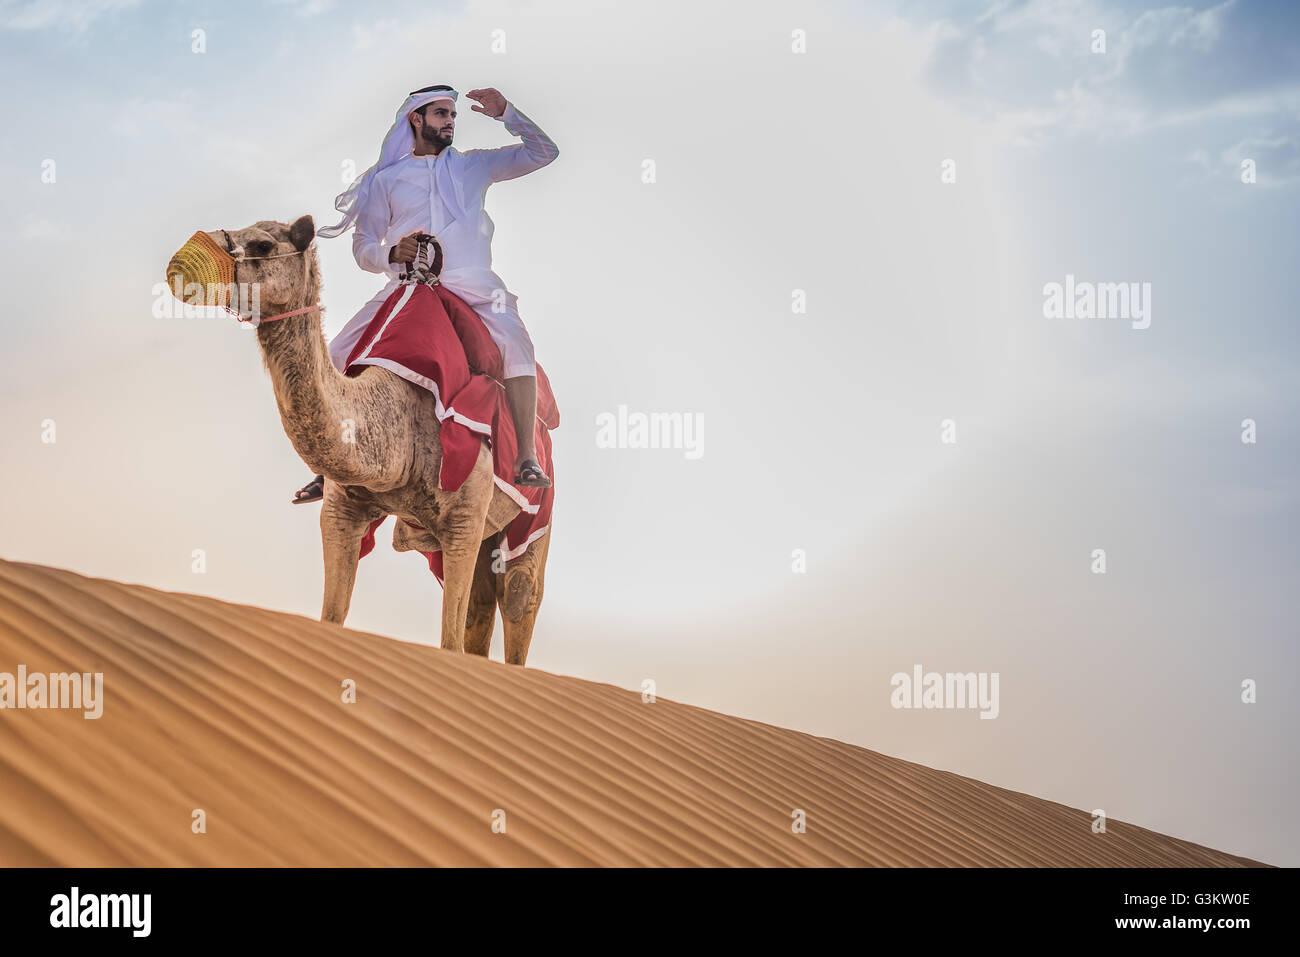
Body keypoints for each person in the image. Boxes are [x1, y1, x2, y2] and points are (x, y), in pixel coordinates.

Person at [293, 83, 558, 504]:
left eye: (453, 115)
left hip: (475, 283)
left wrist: (508, 112)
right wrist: (388, 254)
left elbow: (545, 152)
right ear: (415, 119)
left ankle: (527, 456)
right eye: (441, 114)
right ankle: (328, 471)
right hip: (408, 284)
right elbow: (364, 248)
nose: (450, 121)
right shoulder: (386, 181)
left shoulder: (476, 166)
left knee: (516, 340)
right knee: (336, 354)